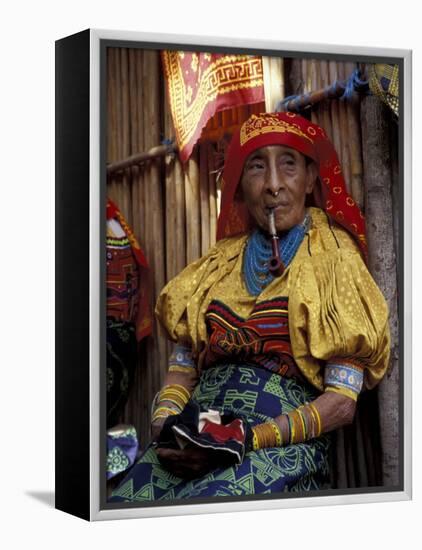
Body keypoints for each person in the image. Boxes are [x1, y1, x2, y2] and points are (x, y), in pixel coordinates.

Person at [109, 112, 390, 502]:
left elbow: (342, 403)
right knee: (125, 505)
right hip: (199, 434)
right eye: (257, 166)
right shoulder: (219, 262)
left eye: (288, 164)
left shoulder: (333, 257)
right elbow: (181, 371)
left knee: (205, 513)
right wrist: (167, 426)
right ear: (240, 183)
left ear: (310, 178)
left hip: (280, 446)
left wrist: (246, 438)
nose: (273, 185)